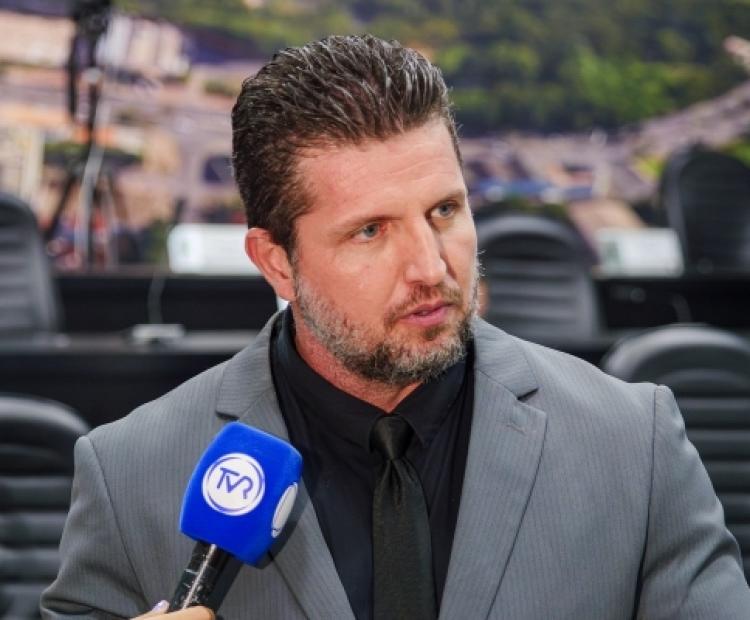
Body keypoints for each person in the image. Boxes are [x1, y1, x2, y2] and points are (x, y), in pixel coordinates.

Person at [42, 35, 750, 620]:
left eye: (445, 211)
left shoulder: (633, 444)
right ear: (276, 262)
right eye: (371, 231)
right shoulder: (129, 474)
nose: (431, 266)